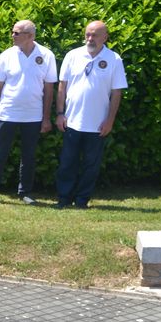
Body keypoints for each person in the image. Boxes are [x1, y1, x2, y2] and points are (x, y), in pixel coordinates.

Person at [54, 20, 128, 209]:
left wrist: (110, 121)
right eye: (88, 34)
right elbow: (62, 86)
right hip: (71, 121)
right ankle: (63, 199)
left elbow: (117, 92)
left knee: (91, 166)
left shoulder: (114, 59)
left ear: (105, 37)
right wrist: (60, 113)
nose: (90, 38)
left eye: (95, 35)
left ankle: (81, 201)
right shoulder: (73, 55)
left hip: (97, 124)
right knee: (67, 163)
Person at [0, 20, 57, 205]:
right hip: (8, 113)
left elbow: (49, 89)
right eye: (13, 32)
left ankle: (25, 193)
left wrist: (46, 118)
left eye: (16, 33)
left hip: (33, 115)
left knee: (29, 155)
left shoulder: (46, 55)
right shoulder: (6, 55)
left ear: (30, 36)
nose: (12, 36)